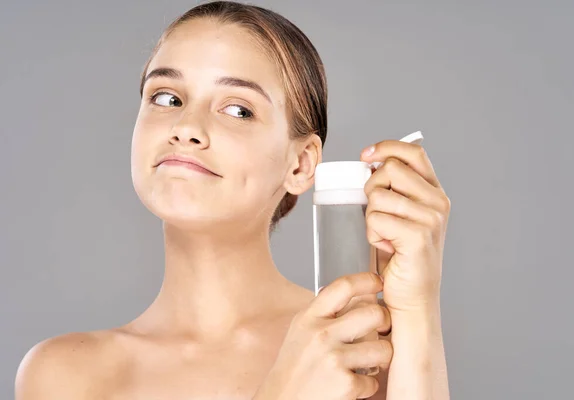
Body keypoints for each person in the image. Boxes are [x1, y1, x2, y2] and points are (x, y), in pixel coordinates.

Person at [15, 1, 451, 399]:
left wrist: (418, 309)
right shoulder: (63, 375)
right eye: (166, 97)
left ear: (300, 164)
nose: (185, 126)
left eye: (238, 109)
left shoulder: (356, 348)